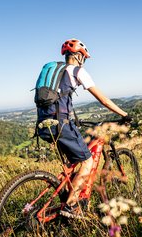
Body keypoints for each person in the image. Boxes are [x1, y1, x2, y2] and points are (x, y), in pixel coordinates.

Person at [36, 38, 130, 217]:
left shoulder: (56, 72)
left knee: (74, 160)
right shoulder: (78, 71)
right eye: (84, 58)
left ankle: (68, 195)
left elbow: (60, 99)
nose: (84, 62)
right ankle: (71, 206)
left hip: (44, 124)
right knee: (87, 160)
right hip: (61, 124)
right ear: (79, 56)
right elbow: (103, 100)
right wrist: (124, 115)